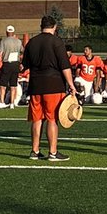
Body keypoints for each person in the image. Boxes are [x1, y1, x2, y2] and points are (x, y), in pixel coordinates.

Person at [20, 15, 77, 162]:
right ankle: (52, 152)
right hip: (53, 84)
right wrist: (71, 84)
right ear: (54, 27)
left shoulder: (32, 42)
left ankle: (35, 151)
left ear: (41, 26)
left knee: (37, 119)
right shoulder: (56, 42)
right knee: (52, 119)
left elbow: (23, 66)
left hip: (35, 85)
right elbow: (65, 66)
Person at [0, 25, 23, 108]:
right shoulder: (18, 41)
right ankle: (12, 103)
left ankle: (2, 101)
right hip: (16, 64)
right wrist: (21, 63)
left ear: (6, 32)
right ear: (13, 32)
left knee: (2, 84)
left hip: (7, 63)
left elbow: (0, 54)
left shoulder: (3, 41)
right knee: (13, 85)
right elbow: (23, 51)